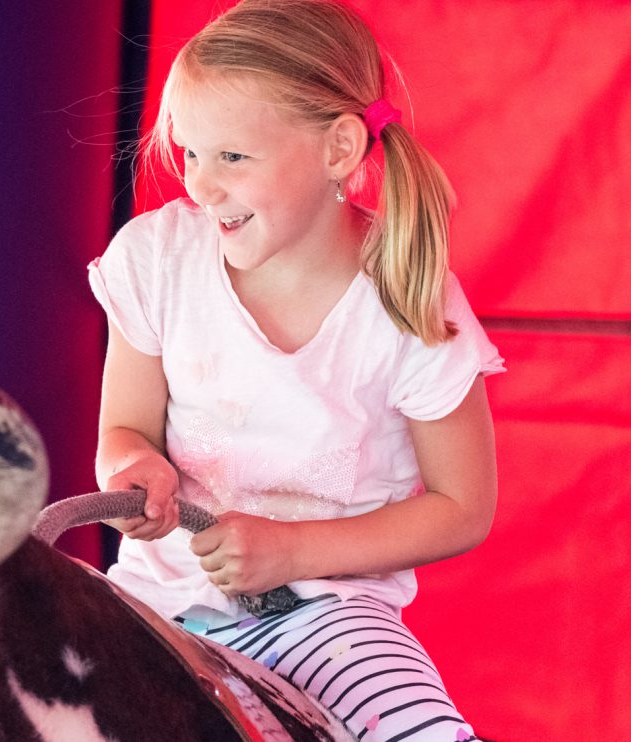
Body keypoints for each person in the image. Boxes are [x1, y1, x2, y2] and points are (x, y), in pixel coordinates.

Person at [87, 1, 503, 740]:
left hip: (328, 617)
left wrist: (293, 551)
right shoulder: (157, 260)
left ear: (339, 149)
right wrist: (133, 470)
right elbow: (124, 428)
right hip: (157, 602)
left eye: (233, 158)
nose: (200, 186)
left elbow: (462, 505)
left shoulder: (407, 296)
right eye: (188, 154)